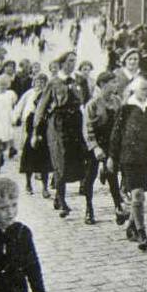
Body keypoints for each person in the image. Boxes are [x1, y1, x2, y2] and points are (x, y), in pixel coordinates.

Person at [33, 51, 88, 218]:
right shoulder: (54, 82)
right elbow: (41, 107)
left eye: (74, 61)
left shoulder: (80, 80)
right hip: (58, 124)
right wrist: (35, 131)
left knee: (75, 161)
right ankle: (63, 201)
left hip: (76, 123)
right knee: (60, 161)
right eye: (70, 61)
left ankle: (58, 196)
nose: (72, 64)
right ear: (63, 63)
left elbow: (87, 101)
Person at [108, 75, 147, 250]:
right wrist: (112, 157)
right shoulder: (126, 108)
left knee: (140, 194)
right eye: (143, 89)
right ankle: (141, 233)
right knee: (137, 194)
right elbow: (116, 134)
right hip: (129, 158)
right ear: (134, 90)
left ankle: (132, 225)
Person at [82, 72, 127, 226]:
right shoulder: (92, 104)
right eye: (113, 82)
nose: (116, 85)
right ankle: (89, 208)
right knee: (90, 177)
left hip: (111, 143)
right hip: (95, 144)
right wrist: (95, 148)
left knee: (112, 175)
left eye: (116, 82)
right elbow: (87, 128)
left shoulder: (117, 101)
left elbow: (121, 123)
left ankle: (118, 208)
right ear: (102, 85)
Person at [16, 74, 53, 198]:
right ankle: (28, 184)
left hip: (44, 142)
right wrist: (35, 135)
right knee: (29, 165)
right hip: (32, 140)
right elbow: (28, 127)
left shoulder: (48, 116)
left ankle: (45, 187)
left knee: (45, 166)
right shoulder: (31, 115)